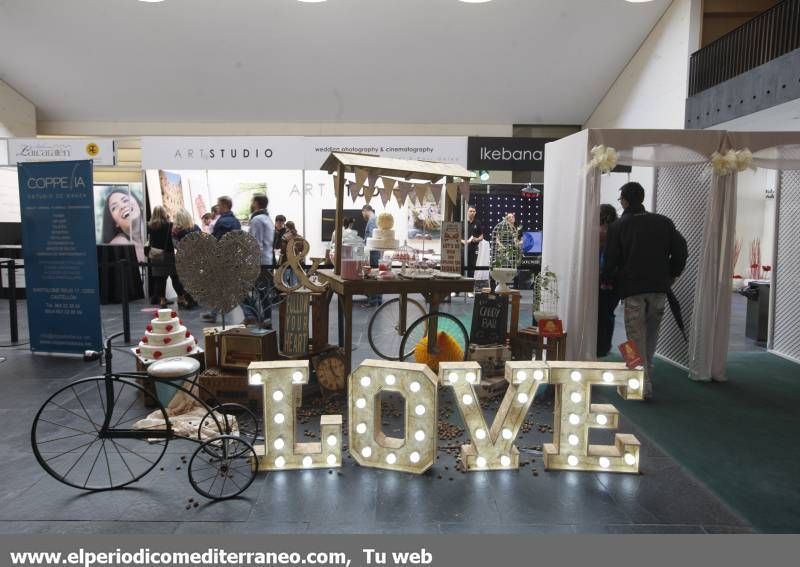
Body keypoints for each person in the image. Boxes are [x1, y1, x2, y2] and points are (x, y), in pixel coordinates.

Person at [602, 182, 688, 399]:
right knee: (651, 335)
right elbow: (681, 249)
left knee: (635, 337)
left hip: (632, 290)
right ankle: (646, 373)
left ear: (625, 201)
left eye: (621, 199)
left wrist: (607, 278)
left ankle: (640, 384)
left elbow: (611, 260)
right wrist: (672, 275)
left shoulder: (619, 226)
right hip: (659, 288)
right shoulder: (663, 222)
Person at [202, 196, 241, 322]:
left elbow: (216, 240)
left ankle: (250, 314)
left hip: (222, 258)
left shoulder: (223, 221)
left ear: (224, 205)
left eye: (218, 205)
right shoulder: (235, 221)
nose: (217, 207)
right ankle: (214, 312)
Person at [241, 194, 274, 327]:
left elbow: (255, 244)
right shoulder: (267, 218)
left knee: (240, 289)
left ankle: (251, 316)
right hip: (266, 261)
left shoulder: (257, 220)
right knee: (263, 293)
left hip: (259, 262)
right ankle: (266, 319)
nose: (251, 203)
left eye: (252, 201)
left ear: (256, 203)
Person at [148, 206, 190, 309]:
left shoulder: (150, 226)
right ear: (164, 213)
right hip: (168, 255)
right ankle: (181, 298)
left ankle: (162, 299)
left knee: (160, 279)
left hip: (155, 255)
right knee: (175, 278)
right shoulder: (169, 225)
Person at [101, 187, 146, 263]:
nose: (122, 206)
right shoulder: (118, 245)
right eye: (114, 208)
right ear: (116, 223)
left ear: (139, 204)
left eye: (125, 200)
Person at [597, 204, 619, 357]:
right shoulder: (618, 230)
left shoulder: (598, 231)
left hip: (602, 278)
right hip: (613, 280)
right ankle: (604, 347)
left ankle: (600, 346)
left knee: (602, 313)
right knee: (607, 314)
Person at [171, 208, 200, 309]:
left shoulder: (176, 231)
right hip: (195, 257)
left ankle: (188, 299)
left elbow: (175, 245)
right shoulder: (196, 227)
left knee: (183, 279)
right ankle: (193, 299)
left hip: (182, 258)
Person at [362, 204, 382, 307]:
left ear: (365, 211)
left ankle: (373, 301)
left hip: (373, 253)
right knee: (377, 275)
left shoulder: (372, 220)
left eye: (362, 213)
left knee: (372, 276)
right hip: (375, 252)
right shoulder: (376, 219)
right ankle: (378, 300)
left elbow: (371, 238)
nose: (363, 216)